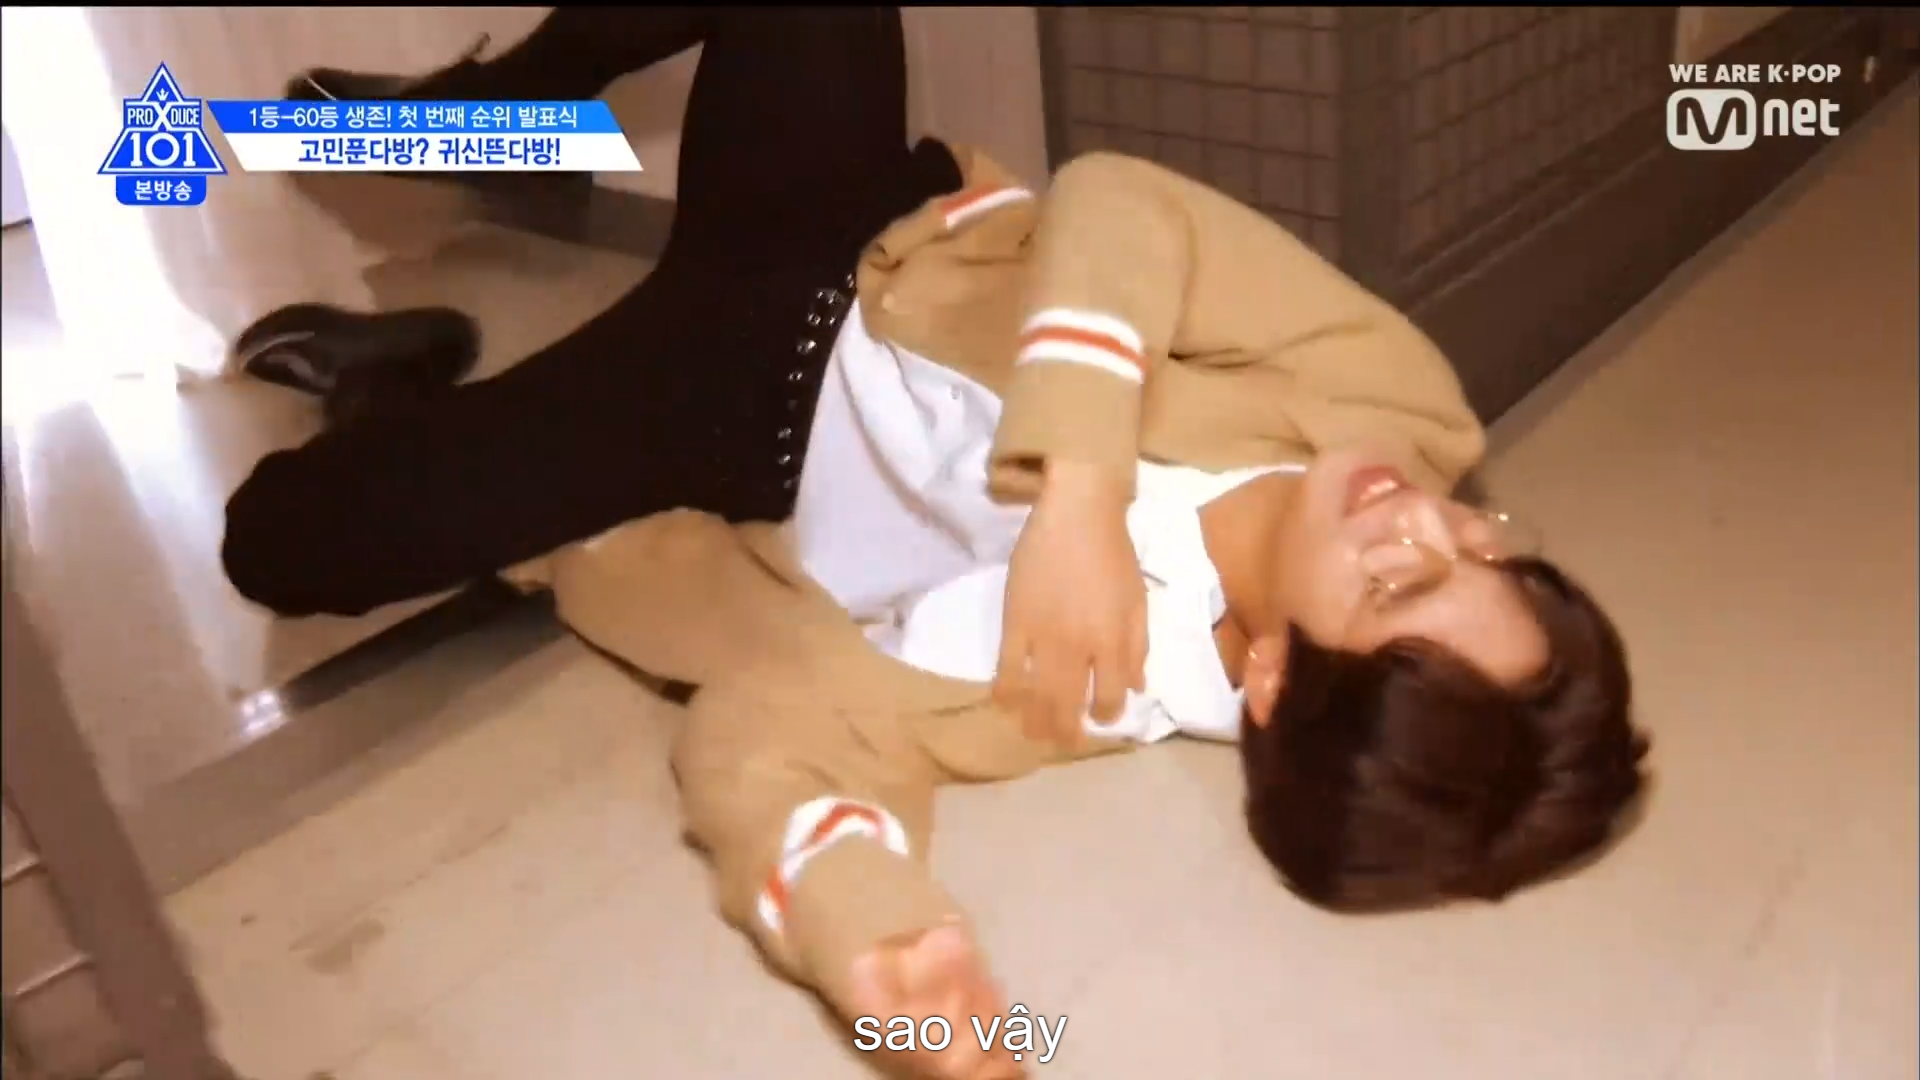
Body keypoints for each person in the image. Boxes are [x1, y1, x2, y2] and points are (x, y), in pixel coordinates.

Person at [228, 10, 1649, 1079]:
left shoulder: (1081, 680)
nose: (1421, 512)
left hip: (712, 424)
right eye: (1488, 547)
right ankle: (486, 115)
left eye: (1398, 584)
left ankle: (392, 388)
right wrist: (1079, 488)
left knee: (279, 544)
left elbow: (775, 729)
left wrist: (875, 938)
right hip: (862, 228)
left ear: (1274, 681)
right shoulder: (1395, 403)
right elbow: (1123, 202)